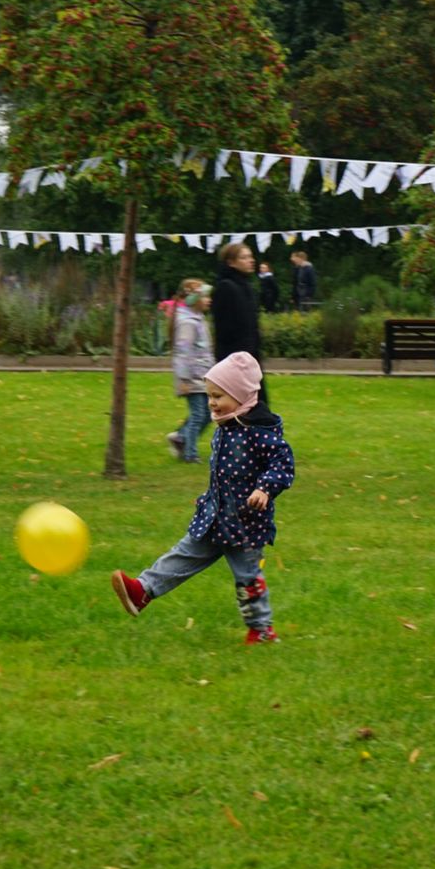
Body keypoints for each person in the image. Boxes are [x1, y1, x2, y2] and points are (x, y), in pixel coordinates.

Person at [110, 352, 295, 644]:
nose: (211, 402)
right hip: (214, 516)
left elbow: (283, 465)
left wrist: (265, 488)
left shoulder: (260, 432)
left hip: (245, 525)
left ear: (241, 395)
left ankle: (261, 630)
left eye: (218, 395)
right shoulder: (226, 425)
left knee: (248, 579)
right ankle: (142, 591)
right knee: (183, 553)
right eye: (209, 395)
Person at [211, 243, 269, 409]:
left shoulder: (246, 287)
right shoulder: (226, 287)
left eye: (250, 257)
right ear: (231, 262)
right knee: (244, 410)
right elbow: (225, 329)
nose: (251, 261)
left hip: (251, 359)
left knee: (256, 409)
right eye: (244, 257)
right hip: (236, 361)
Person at [168, 282, 214, 464]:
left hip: (203, 376)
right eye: (205, 296)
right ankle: (190, 454)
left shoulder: (198, 319)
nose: (209, 300)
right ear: (193, 299)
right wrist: (184, 379)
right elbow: (183, 352)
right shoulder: (187, 323)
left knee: (207, 414)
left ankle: (180, 438)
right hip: (192, 378)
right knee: (198, 416)